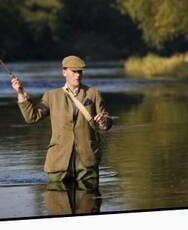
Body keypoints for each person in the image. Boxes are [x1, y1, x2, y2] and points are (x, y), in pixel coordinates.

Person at [11, 55, 112, 187]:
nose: (77, 75)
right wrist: (20, 93)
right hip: (58, 162)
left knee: (89, 204)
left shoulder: (93, 94)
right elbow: (32, 117)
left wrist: (104, 121)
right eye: (74, 71)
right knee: (58, 205)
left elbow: (107, 121)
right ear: (64, 72)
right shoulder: (51, 96)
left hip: (87, 162)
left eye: (80, 72)